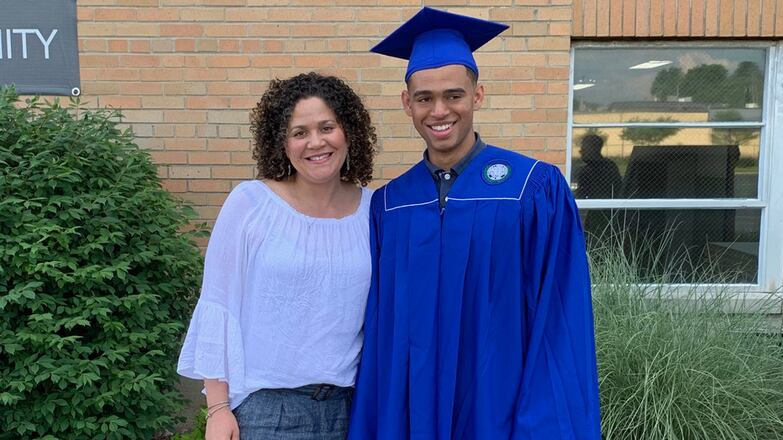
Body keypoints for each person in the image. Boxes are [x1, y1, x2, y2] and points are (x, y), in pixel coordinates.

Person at [348, 7, 601, 439]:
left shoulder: (532, 189)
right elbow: (382, 339)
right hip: (415, 413)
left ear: (477, 95)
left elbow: (559, 319)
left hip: (501, 408)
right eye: (424, 98)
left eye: (454, 95)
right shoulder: (390, 205)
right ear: (407, 103)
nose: (439, 110)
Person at [177, 72, 377, 440]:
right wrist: (218, 409)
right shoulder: (251, 204)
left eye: (327, 127)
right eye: (299, 132)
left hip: (352, 409)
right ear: (281, 143)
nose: (315, 142)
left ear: (348, 131)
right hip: (269, 413)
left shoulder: (373, 210)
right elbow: (219, 304)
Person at [574, 134, 623, 248]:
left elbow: (581, 196)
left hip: (604, 217)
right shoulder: (608, 166)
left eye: (584, 147)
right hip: (599, 216)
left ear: (594, 148)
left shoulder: (602, 168)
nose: (581, 151)